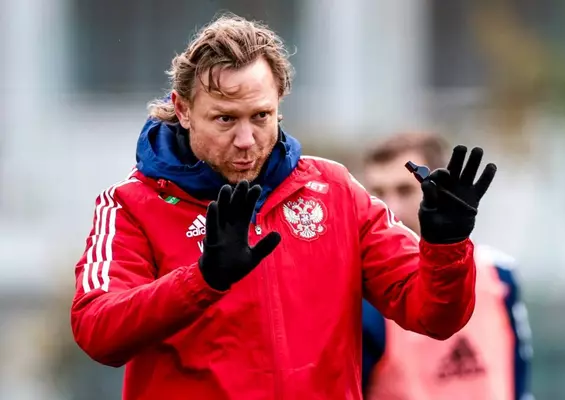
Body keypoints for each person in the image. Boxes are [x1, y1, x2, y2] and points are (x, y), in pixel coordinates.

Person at [70, 13, 498, 400]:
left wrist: (446, 246)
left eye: (261, 116)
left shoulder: (334, 190)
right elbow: (97, 331)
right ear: (183, 110)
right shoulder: (131, 204)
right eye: (225, 119)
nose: (246, 139)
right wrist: (202, 281)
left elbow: (434, 317)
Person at [360, 132, 533, 400]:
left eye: (405, 190)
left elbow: (518, 380)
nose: (390, 207)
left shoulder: (499, 274)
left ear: (441, 188)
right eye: (378, 194)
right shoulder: (365, 291)